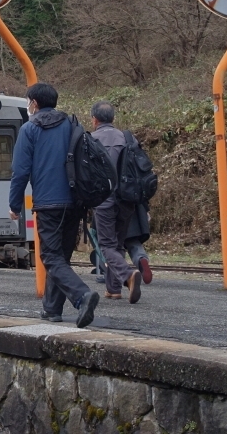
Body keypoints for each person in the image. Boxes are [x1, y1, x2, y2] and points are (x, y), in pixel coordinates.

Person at [9, 82, 99, 328]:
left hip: (48, 203)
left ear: (34, 103)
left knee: (50, 256)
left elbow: (20, 171)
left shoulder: (30, 129)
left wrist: (14, 205)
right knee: (61, 257)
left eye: (29, 101)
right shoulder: (72, 125)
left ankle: (82, 296)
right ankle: (52, 309)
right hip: (75, 201)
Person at [90, 102, 142, 303]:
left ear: (94, 119)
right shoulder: (127, 138)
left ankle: (128, 274)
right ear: (113, 118)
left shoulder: (91, 139)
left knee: (106, 245)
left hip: (104, 200)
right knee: (118, 244)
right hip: (127, 199)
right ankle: (113, 289)